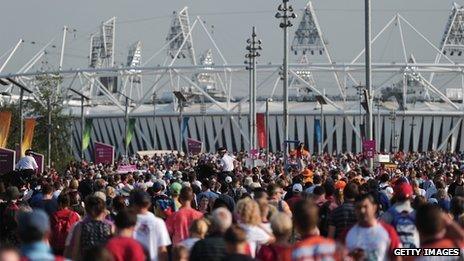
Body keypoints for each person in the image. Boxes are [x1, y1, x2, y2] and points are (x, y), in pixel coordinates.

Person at [345, 194, 401, 261]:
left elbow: (397, 257)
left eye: (365, 207)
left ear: (374, 208)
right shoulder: (347, 234)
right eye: (358, 207)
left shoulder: (388, 231)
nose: (362, 211)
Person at [65, 195, 113, 261]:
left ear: (87, 209)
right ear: (102, 210)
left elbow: (76, 249)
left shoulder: (80, 226)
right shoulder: (110, 226)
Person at [131, 189, 171, 261]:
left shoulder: (128, 222)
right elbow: (162, 250)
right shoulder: (158, 222)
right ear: (149, 204)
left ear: (134, 204)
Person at [380, 179, 420, 248]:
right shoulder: (417, 214)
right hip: (414, 254)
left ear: (395, 195)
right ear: (411, 195)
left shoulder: (388, 215)